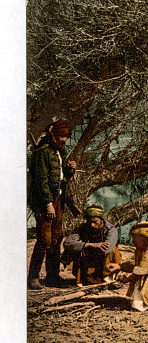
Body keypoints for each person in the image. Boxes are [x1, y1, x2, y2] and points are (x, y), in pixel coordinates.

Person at [27, 120, 79, 289]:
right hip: (44, 201)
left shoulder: (58, 152)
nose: (63, 139)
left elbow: (61, 180)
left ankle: (52, 276)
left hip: (58, 200)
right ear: (53, 135)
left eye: (65, 136)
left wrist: (69, 172)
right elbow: (40, 181)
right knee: (44, 239)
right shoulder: (42, 152)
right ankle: (33, 277)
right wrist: (48, 204)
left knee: (57, 237)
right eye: (61, 136)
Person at [61, 205, 122, 286]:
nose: (92, 225)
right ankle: (80, 277)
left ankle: (107, 276)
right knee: (73, 248)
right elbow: (67, 243)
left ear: (102, 220)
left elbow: (107, 248)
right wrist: (88, 245)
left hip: (102, 258)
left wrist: (87, 248)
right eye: (89, 222)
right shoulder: (82, 227)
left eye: (95, 222)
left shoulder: (111, 230)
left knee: (113, 250)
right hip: (88, 256)